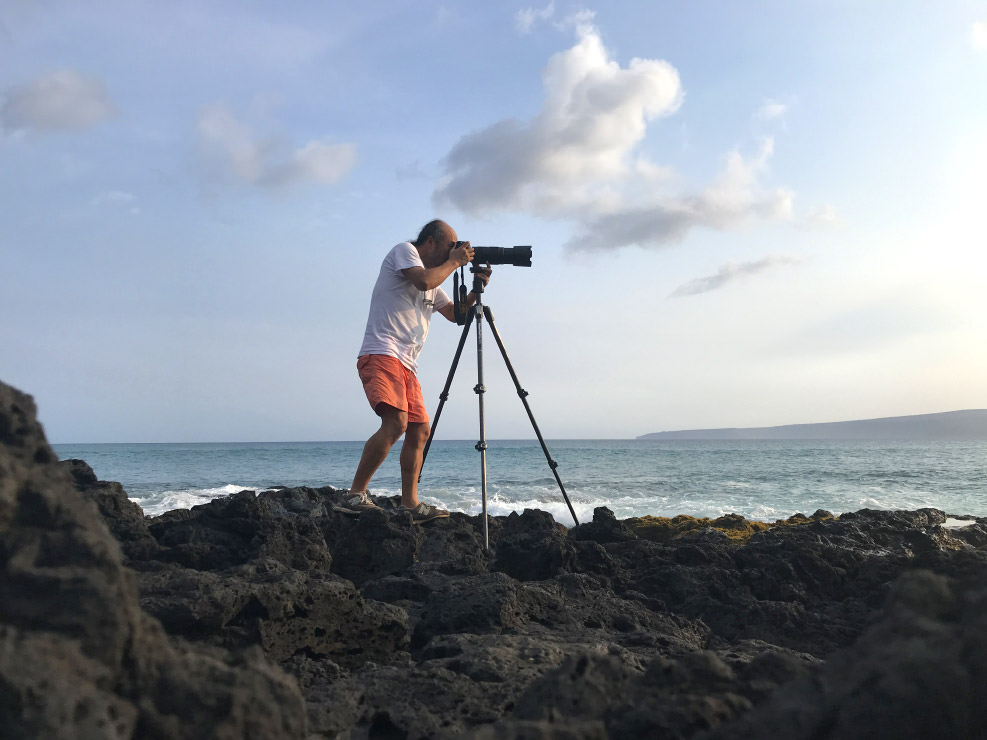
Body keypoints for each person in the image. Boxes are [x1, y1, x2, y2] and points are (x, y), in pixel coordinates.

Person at [338, 219, 491, 522]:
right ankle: (355, 495)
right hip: (382, 352)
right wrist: (454, 262)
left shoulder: (435, 280)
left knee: (420, 430)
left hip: (407, 364)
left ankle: (410, 503)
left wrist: (477, 289)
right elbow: (423, 281)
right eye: (450, 246)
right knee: (396, 423)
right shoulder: (405, 252)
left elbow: (455, 315)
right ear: (430, 242)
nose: (455, 252)